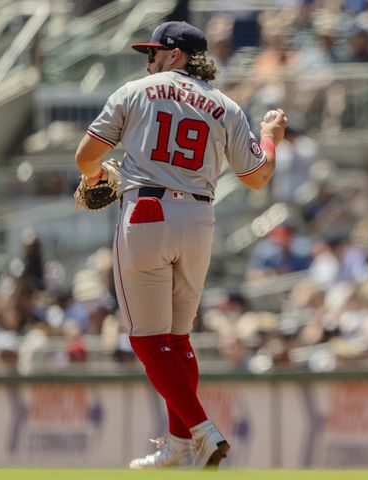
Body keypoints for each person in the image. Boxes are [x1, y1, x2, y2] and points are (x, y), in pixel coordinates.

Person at [74, 21, 287, 469]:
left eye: (154, 52)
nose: (148, 59)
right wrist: (271, 137)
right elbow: (258, 177)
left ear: (174, 55)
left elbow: (86, 156)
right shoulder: (226, 106)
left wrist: (95, 178)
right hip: (199, 218)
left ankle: (201, 430)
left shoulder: (137, 90)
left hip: (148, 211)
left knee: (147, 340)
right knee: (176, 338)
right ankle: (177, 445)